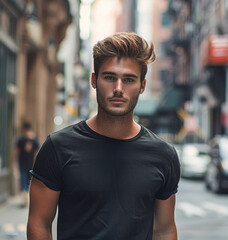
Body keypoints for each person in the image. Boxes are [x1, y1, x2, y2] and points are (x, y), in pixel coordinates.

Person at [27, 32, 180, 240]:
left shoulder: (164, 155)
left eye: (129, 79)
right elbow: (39, 224)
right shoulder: (58, 147)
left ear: (142, 86)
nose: (118, 88)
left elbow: (164, 230)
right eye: (109, 77)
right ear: (94, 81)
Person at [14, 121, 39, 207]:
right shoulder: (35, 139)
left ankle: (24, 195)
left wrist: (14, 162)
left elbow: (16, 152)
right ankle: (26, 196)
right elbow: (36, 154)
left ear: (24, 129)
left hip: (22, 163)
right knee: (29, 180)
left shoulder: (21, 139)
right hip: (31, 165)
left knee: (23, 179)